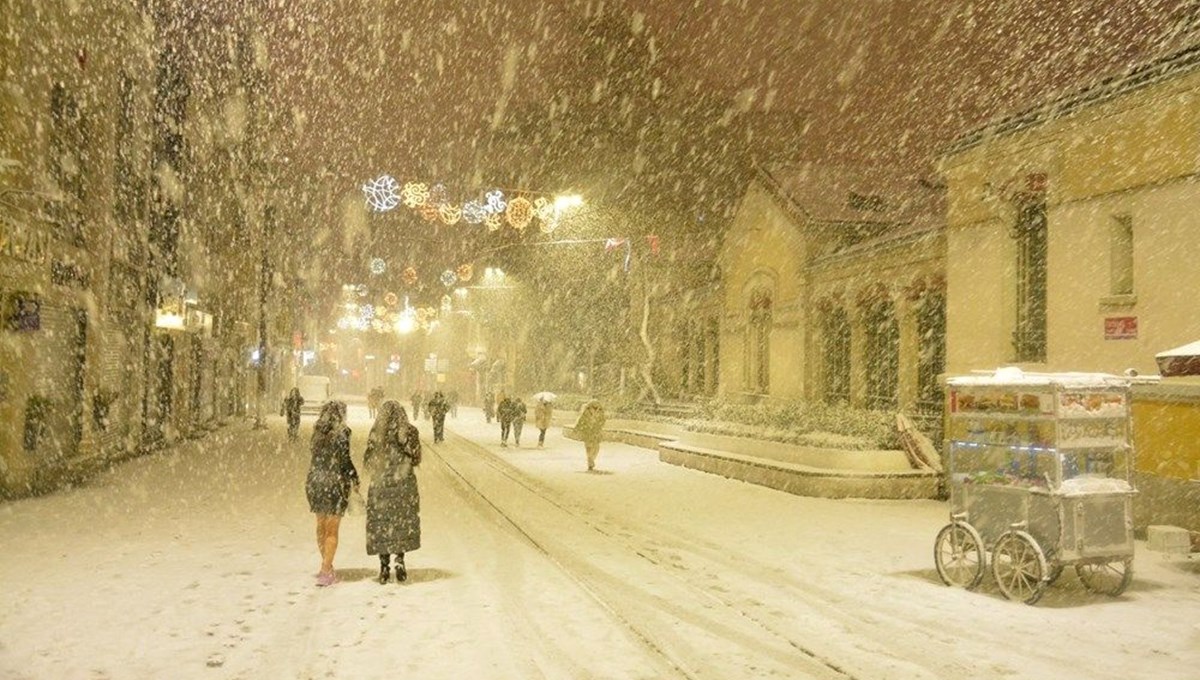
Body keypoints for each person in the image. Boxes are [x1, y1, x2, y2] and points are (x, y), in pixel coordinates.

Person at [363, 400, 422, 584]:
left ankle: (384, 567)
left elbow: (368, 461)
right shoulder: (410, 432)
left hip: (381, 484)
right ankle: (400, 561)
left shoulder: (376, 434)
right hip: (403, 484)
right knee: (400, 523)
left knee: (382, 524)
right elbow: (416, 458)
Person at [305, 401, 359, 586]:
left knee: (321, 525)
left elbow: (316, 457)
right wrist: (354, 477)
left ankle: (326, 565)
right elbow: (344, 460)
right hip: (334, 482)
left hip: (315, 481)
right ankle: (326, 569)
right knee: (332, 529)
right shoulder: (343, 432)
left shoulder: (317, 432)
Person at [573, 400, 606, 471]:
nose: (595, 407)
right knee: (589, 447)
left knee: (596, 448)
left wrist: (598, 425)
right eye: (593, 406)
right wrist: (577, 428)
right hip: (587, 432)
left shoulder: (600, 412)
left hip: (596, 433)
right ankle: (590, 461)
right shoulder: (585, 412)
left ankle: (592, 459)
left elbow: (603, 420)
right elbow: (580, 421)